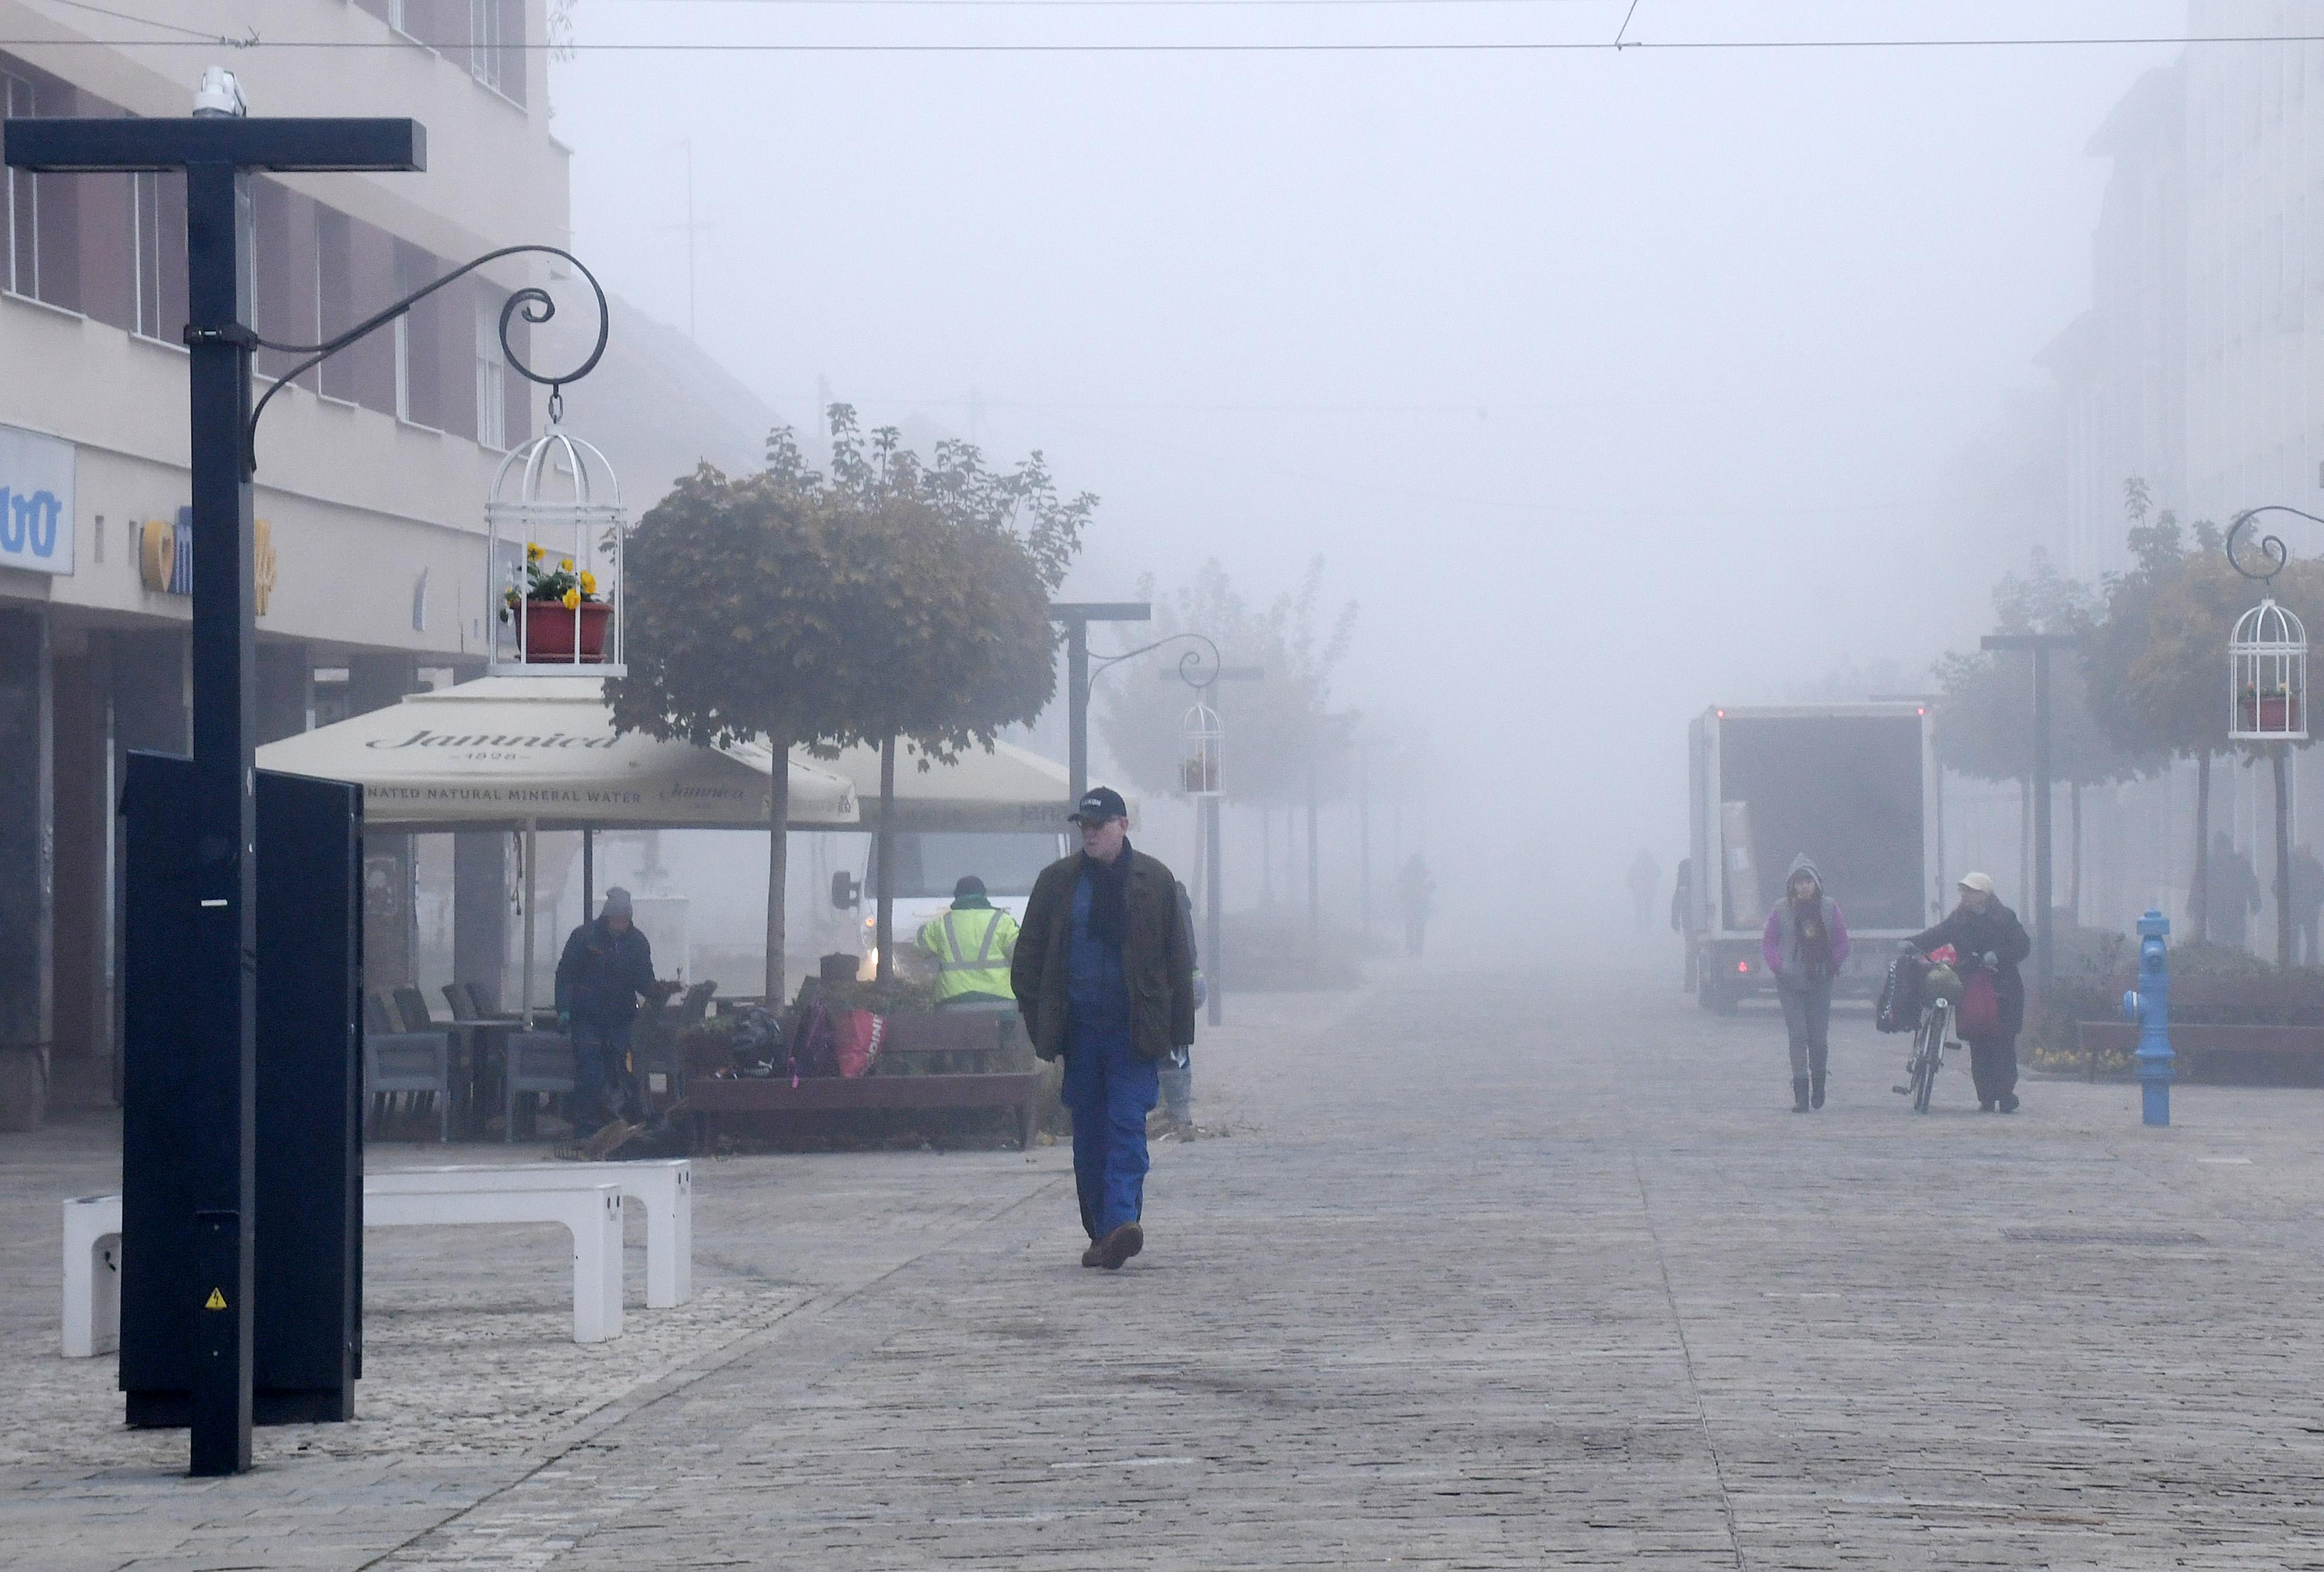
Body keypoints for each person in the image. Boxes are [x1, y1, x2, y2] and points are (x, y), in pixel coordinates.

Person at [1012, 787, 1196, 1270]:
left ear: (1123, 826)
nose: (1090, 834)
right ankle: (1101, 1232)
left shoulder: (1155, 881)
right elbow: (1028, 958)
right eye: (1084, 827)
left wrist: (1178, 1034)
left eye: (1099, 825)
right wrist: (1042, 1024)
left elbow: (1178, 959)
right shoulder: (1058, 883)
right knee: (1090, 1133)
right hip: (1080, 1030)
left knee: (1126, 1122)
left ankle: (1119, 1222)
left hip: (1134, 1030)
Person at [554, 887, 677, 1140]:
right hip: (587, 1019)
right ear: (607, 917)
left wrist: (656, 989)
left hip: (622, 1020)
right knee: (590, 1074)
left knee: (622, 1073)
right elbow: (565, 975)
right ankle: (586, 1129)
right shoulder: (584, 938)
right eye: (616, 920)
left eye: (624, 920)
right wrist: (564, 1009)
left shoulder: (637, 942)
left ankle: (616, 1127)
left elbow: (643, 979)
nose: (620, 925)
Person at [1907, 871, 2032, 1114]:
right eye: (1964, 891)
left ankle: (2005, 1094)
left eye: (1971, 891)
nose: (1965, 896)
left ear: (1985, 895)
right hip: (1974, 986)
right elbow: (1938, 934)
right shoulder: (1959, 919)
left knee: (2003, 1042)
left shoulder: (2005, 918)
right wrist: (1913, 943)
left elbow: (2022, 945)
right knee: (1979, 1042)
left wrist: (1999, 956)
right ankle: (1986, 1096)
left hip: (2003, 989)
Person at [1761, 855, 1850, 1112]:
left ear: (1817, 883)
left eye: (1808, 881)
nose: (1804, 887)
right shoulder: (1781, 910)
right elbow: (1769, 942)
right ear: (1792, 885)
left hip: (1821, 980)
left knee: (1818, 1038)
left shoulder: (1830, 909)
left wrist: (1832, 965)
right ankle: (1801, 1093)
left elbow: (1843, 942)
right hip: (1790, 982)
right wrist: (1779, 967)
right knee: (1798, 1036)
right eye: (1799, 882)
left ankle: (1819, 1084)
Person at [915, 875, 1020, 1007]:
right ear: (984, 895)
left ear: (956, 896)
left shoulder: (941, 924)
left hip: (953, 1001)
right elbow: (1021, 956)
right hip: (1001, 1001)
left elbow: (920, 948)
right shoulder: (1003, 922)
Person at [2206, 832, 2262, 952]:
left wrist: (2255, 902)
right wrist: (2194, 904)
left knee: (2237, 943)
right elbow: (2200, 885)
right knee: (2219, 943)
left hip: (2236, 910)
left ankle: (2236, 966)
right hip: (2216, 911)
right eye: (2219, 848)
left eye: (2223, 847)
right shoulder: (2209, 866)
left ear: (2228, 848)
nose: (2221, 851)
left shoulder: (2240, 864)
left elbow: (2251, 884)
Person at [1396, 855, 1435, 957]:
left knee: (1410, 924)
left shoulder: (1406, 871)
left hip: (1410, 901)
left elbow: (1399, 882)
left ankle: (1410, 947)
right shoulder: (1425, 872)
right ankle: (1418, 948)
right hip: (1421, 901)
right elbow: (1432, 886)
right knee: (1420, 925)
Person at [2292, 844, 2324, 966]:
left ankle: (2311, 965)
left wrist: (2317, 900)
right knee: (2293, 940)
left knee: (2312, 941)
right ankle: (2293, 965)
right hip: (2295, 910)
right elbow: (2277, 885)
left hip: (2310, 910)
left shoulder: (2316, 868)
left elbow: (2322, 886)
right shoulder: (2290, 868)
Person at [1627, 849, 1661, 934]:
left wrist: (1633, 887)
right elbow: (1659, 874)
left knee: (1639, 909)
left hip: (1640, 891)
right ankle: (1646, 928)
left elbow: (1629, 878)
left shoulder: (1636, 865)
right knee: (1647, 909)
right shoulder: (1652, 864)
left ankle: (1640, 928)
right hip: (1648, 891)